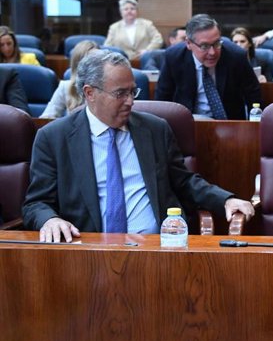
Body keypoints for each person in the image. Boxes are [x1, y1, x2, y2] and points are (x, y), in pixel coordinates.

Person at [23, 50, 255, 243]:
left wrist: (225, 199)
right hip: (88, 250)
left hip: (157, 248)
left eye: (133, 91)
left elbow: (183, 181)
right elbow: (36, 203)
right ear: (89, 93)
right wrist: (49, 220)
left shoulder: (155, 129)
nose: (131, 101)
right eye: (120, 93)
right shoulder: (54, 138)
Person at [156, 14, 261, 120]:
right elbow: (163, 98)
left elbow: (253, 94)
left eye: (216, 43)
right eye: (204, 46)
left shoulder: (236, 56)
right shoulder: (174, 57)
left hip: (229, 123)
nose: (212, 52)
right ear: (188, 43)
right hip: (188, 123)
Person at [40, 40, 99, 118]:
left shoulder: (108, 88)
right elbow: (46, 119)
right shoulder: (65, 87)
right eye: (90, 62)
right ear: (78, 65)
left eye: (97, 62)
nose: (95, 66)